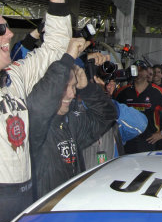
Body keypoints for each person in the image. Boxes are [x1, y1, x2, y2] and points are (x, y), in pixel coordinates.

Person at [0, 0, 72, 222]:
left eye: (7, 27)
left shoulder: (14, 77)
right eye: (1, 29)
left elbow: (54, 48)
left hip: (24, 192)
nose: (9, 34)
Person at [27, 41, 117, 199]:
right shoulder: (34, 126)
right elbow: (40, 105)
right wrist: (67, 58)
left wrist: (87, 89)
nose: (71, 94)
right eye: (64, 88)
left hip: (69, 209)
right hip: (43, 214)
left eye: (74, 87)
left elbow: (107, 115)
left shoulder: (71, 122)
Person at [115, 60, 162, 153]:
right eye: (136, 70)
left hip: (149, 141)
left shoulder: (157, 91)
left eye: (142, 70)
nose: (139, 73)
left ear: (147, 72)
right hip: (127, 140)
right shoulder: (122, 92)